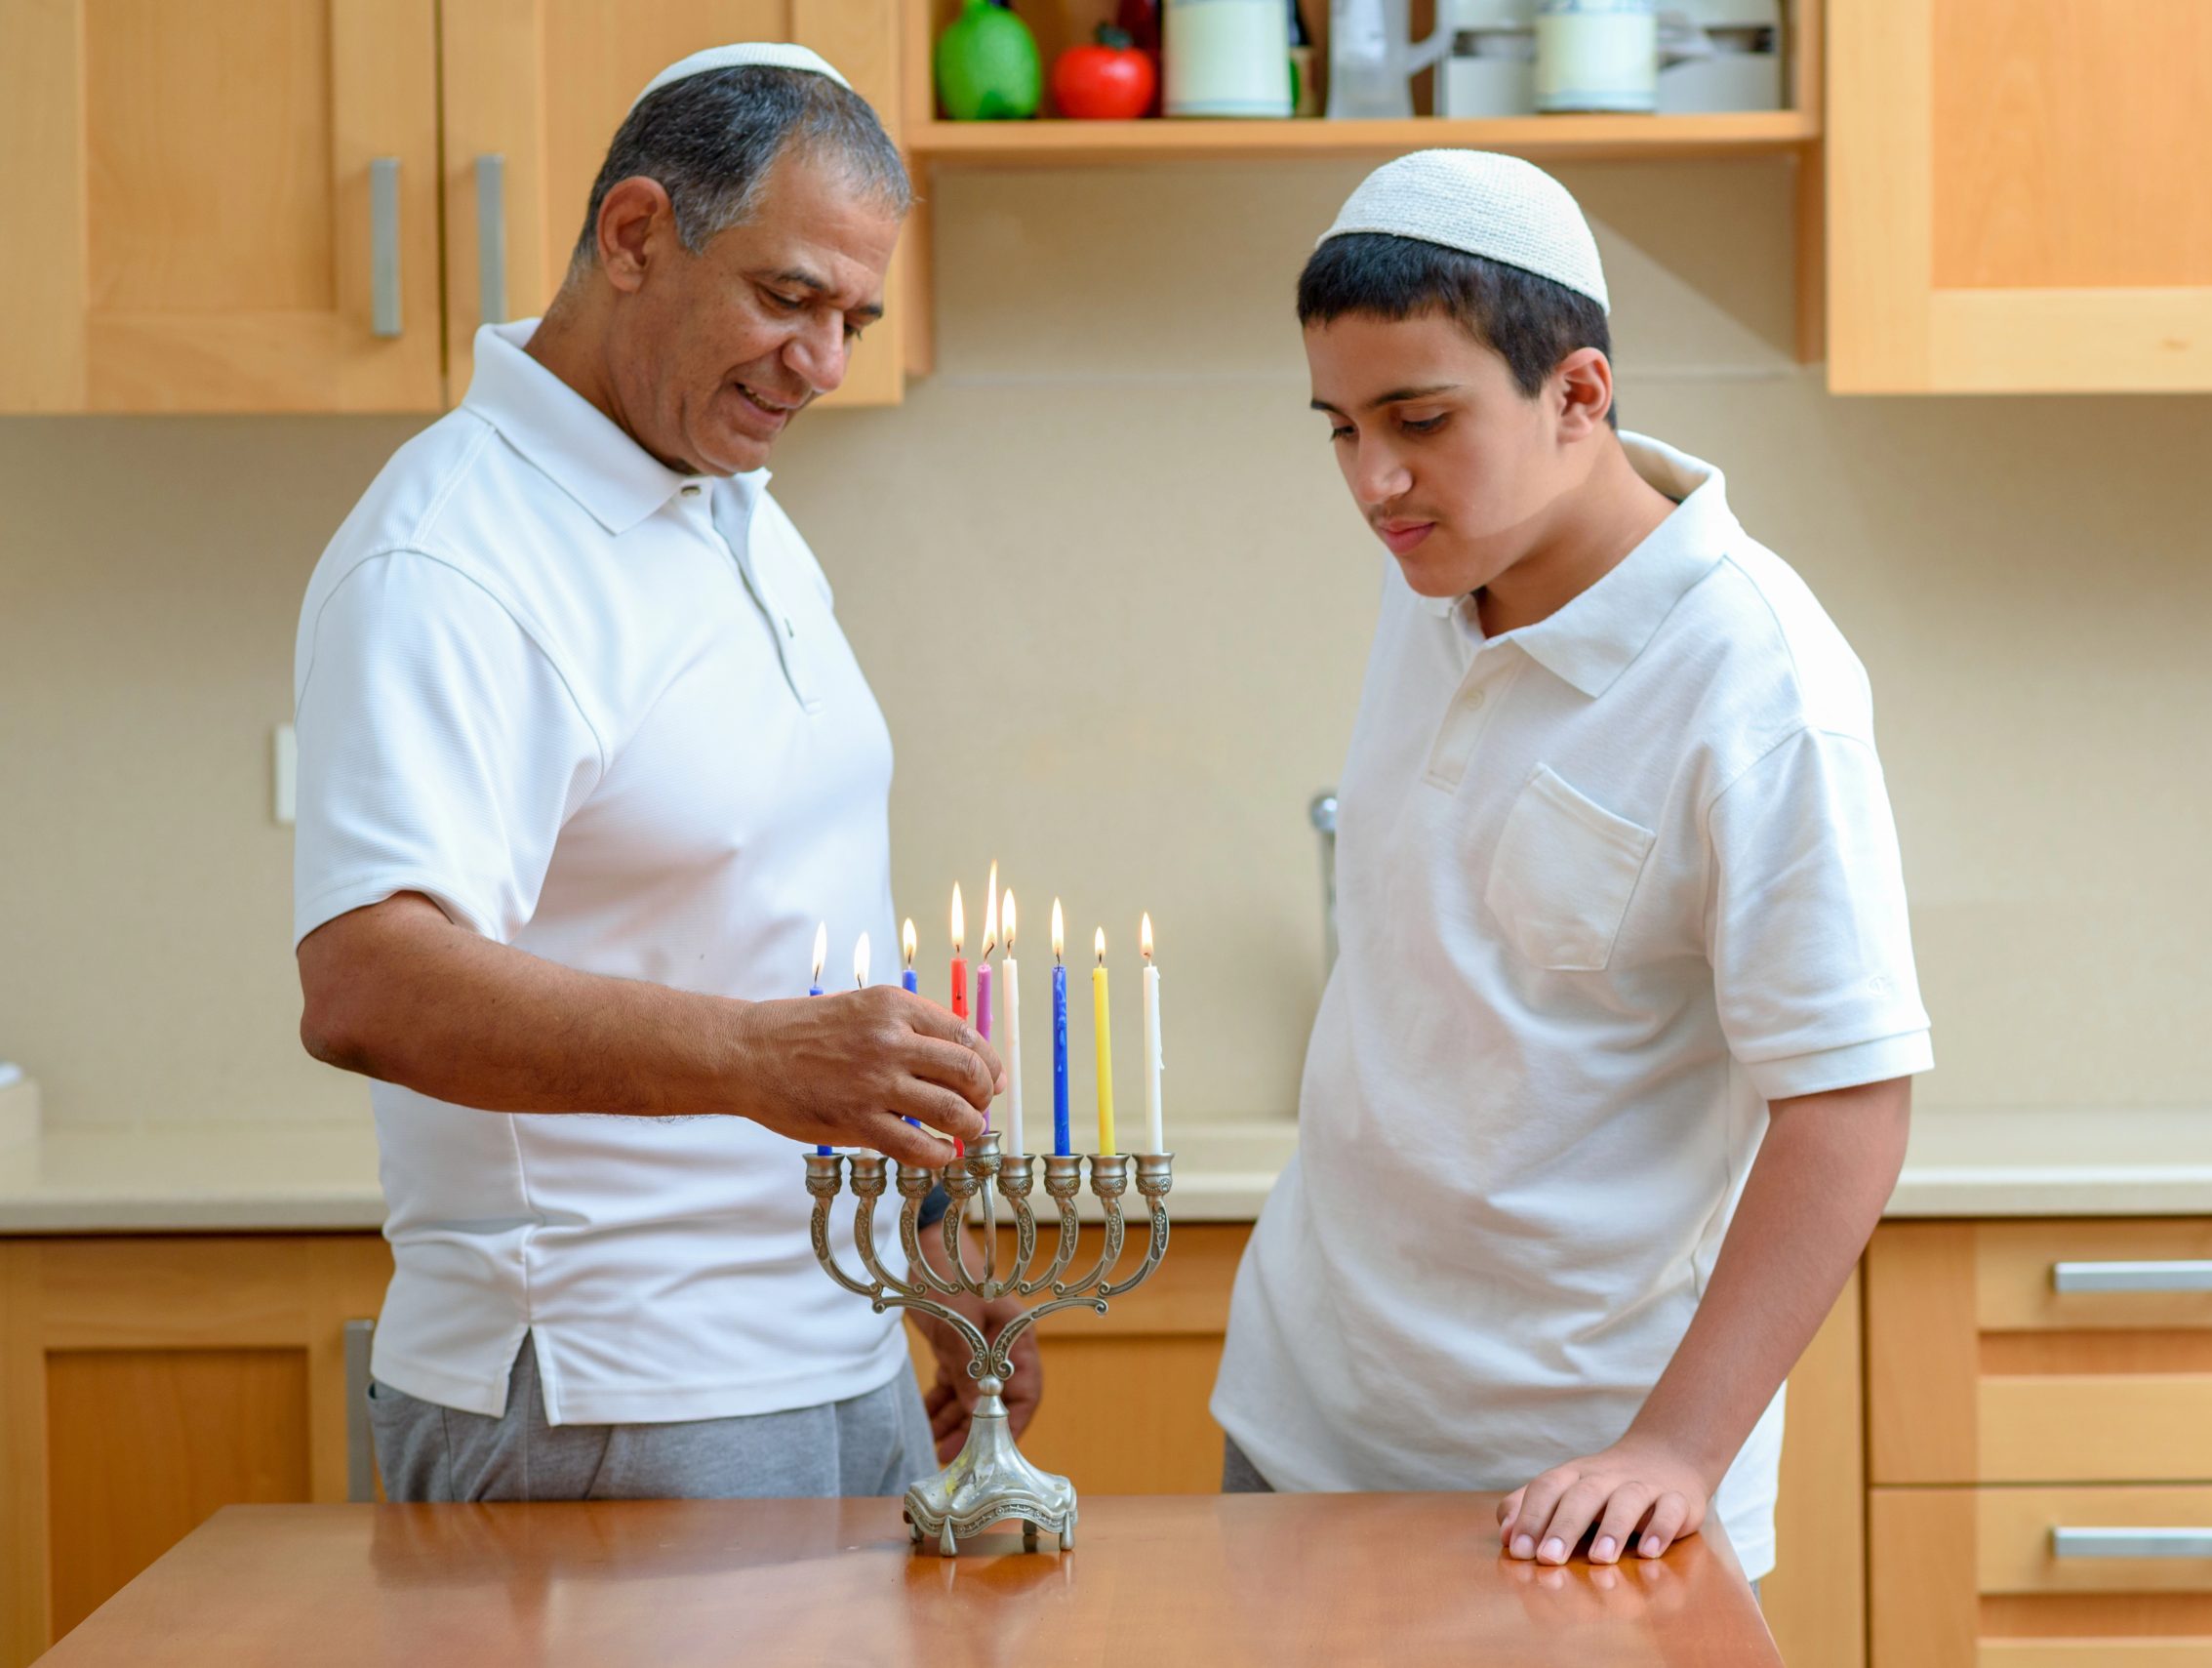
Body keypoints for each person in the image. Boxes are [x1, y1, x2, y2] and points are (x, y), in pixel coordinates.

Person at [290, 43, 1031, 1503]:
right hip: (609, 1389)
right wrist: (764, 1061)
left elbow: (781, 913)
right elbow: (368, 980)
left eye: (854, 318)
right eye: (787, 298)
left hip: (844, 1342)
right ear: (633, 235)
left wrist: (932, 1259)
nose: (822, 364)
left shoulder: (729, 500)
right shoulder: (453, 554)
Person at [1210, 150, 1929, 1583]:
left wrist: (1675, 1449)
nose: (1374, 480)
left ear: (1580, 395)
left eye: (1419, 420)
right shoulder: (1440, 563)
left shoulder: (1760, 684)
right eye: (1339, 427)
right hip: (1299, 1422)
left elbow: (1848, 1105)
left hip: (1581, 1490)